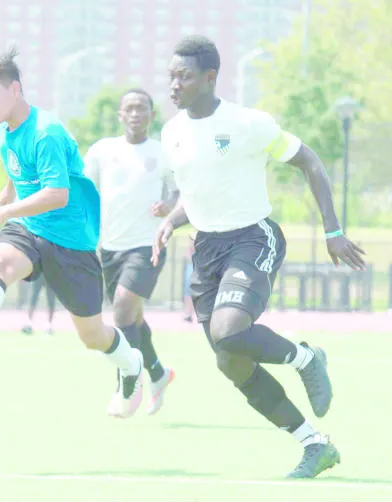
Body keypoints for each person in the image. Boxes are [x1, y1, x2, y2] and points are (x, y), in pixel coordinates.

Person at [153, 35, 366, 479]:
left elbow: (310, 161)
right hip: (206, 249)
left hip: (252, 238)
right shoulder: (171, 132)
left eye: (184, 76)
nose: (174, 84)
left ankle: (307, 359)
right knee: (230, 360)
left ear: (210, 77)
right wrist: (171, 221)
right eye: (171, 76)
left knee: (229, 331)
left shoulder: (248, 123)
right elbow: (195, 194)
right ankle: (315, 445)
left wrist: (332, 230)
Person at [0, 48, 145, 417]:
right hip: (30, 226)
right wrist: (7, 192)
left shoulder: (46, 132)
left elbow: (58, 194)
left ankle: (131, 364)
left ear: (15, 90)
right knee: (1, 260)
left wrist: (2, 211)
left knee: (93, 336)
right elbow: (18, 165)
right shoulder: (6, 129)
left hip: (72, 242)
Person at [83, 89, 178, 417]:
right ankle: (159, 374)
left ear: (152, 115)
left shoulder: (163, 153)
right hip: (110, 248)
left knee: (122, 308)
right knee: (133, 319)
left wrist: (169, 205)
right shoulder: (102, 150)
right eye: (130, 109)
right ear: (120, 115)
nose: (136, 114)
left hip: (148, 245)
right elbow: (84, 190)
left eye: (142, 109)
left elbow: (181, 192)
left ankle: (127, 386)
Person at [182, 237, 195, 323]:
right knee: (188, 292)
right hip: (192, 266)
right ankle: (188, 314)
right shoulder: (192, 240)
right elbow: (187, 255)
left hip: (199, 267)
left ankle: (190, 314)